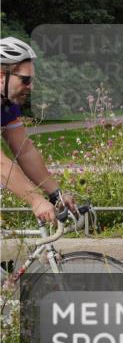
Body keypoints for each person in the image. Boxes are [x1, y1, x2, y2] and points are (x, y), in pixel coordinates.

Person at [1, 37, 78, 224]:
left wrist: (55, 194)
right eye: (26, 80)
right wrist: (35, 200)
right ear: (1, 75)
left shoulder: (7, 105)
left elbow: (25, 151)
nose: (31, 87)